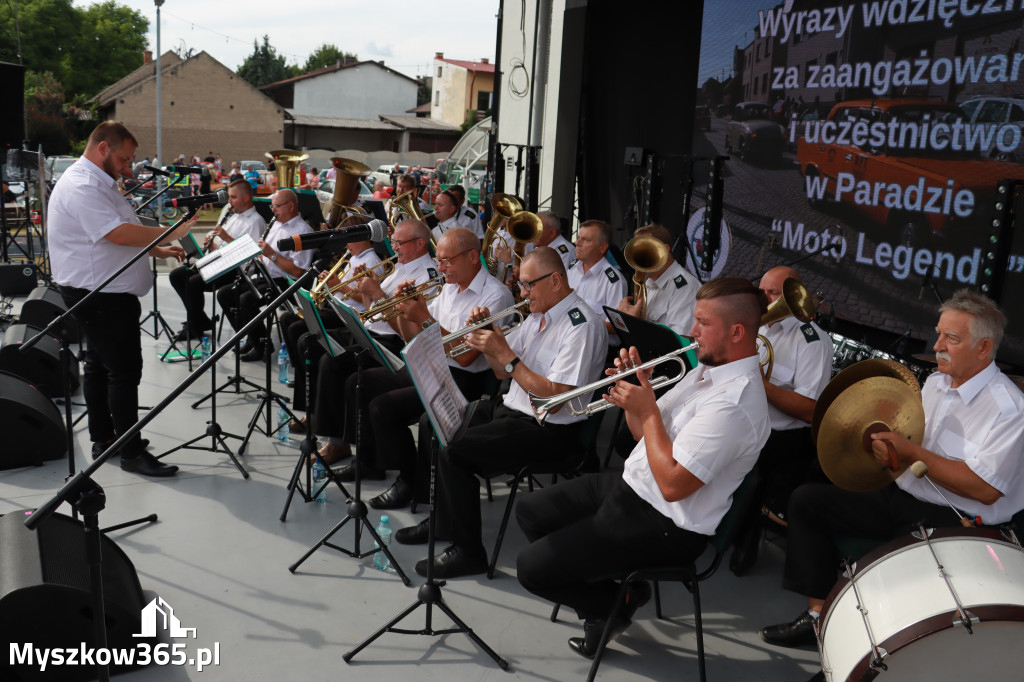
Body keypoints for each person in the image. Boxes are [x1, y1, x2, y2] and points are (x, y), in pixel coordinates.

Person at [759, 290, 1024, 678]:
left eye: (952, 338)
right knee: (807, 501)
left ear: (984, 348)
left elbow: (985, 489)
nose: (937, 346)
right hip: (902, 495)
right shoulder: (935, 383)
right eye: (939, 334)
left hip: (957, 521)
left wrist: (911, 454)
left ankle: (857, 660)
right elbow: (914, 447)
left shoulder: (1009, 409)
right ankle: (818, 619)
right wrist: (889, 451)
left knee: (889, 582)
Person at [515, 277, 771, 658]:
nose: (691, 331)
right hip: (632, 488)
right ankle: (618, 593)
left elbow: (671, 485)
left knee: (530, 569)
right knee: (530, 511)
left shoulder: (735, 402)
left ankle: (613, 605)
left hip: (666, 522)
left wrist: (648, 410)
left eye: (702, 322)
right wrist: (638, 395)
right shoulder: (706, 371)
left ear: (736, 331)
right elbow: (643, 438)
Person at [394, 246, 607, 579]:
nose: (521, 293)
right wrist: (490, 342)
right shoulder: (539, 315)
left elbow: (557, 398)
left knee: (456, 453)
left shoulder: (582, 325)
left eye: (527, 285)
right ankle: (443, 522)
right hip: (513, 408)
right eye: (520, 284)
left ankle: (469, 553)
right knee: (431, 423)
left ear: (554, 280)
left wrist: (505, 354)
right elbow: (500, 373)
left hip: (549, 428)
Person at [49, 121, 193, 477]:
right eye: (124, 159)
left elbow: (112, 233)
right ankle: (130, 451)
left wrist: (157, 249)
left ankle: (105, 438)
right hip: (101, 295)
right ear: (102, 148)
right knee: (124, 372)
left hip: (102, 291)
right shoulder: (83, 184)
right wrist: (171, 229)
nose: (128, 167)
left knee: (99, 367)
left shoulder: (97, 180)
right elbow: (115, 232)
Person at [347, 227, 515, 506]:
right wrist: (400, 309)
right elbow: (411, 337)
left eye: (447, 261)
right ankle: (371, 462)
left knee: (384, 407)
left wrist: (423, 315)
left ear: (473, 256)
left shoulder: (495, 296)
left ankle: (410, 482)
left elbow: (465, 357)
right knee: (359, 382)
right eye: (438, 260)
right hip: (432, 365)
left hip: (463, 380)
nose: (440, 267)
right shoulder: (448, 288)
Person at [729, 266, 833, 575]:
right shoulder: (753, 327)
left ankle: (745, 537)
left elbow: (809, 411)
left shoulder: (813, 341)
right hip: (743, 420)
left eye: (774, 294)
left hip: (782, 437)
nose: (766, 300)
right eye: (763, 292)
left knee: (754, 475)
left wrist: (761, 384)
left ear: (794, 295)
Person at [311, 219, 438, 465]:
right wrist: (367, 291)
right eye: (393, 242)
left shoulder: (425, 276)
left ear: (421, 244)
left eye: (399, 243)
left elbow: (406, 329)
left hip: (393, 342)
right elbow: (374, 313)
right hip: (374, 333)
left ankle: (344, 446)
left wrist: (376, 292)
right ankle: (339, 441)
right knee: (325, 353)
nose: (394, 247)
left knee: (337, 366)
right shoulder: (399, 267)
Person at [216, 189, 314, 360]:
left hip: (286, 283)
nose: (273, 210)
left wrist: (272, 255)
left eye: (276, 206)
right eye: (272, 207)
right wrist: (259, 253)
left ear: (290, 206)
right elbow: (265, 253)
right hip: (266, 277)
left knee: (246, 300)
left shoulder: (303, 231)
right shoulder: (276, 223)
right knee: (225, 294)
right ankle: (250, 337)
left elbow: (299, 271)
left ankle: (262, 346)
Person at [168, 179, 266, 340]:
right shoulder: (233, 215)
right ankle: (200, 321)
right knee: (177, 275)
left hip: (236, 269)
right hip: (219, 261)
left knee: (193, 283)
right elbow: (222, 244)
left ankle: (195, 326)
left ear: (247, 198)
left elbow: (250, 255)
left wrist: (226, 237)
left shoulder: (256, 221)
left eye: (233, 197)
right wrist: (212, 245)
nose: (229, 202)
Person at [616, 223, 699, 336]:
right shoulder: (647, 281)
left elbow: (679, 343)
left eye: (646, 250)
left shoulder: (686, 287)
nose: (640, 258)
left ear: (664, 249)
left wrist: (631, 323)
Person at [566, 219, 627, 345]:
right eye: (578, 238)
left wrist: (581, 326)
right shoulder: (572, 269)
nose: (577, 243)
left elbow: (616, 327)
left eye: (586, 240)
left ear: (602, 247)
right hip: (566, 339)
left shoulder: (614, 281)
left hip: (597, 347)